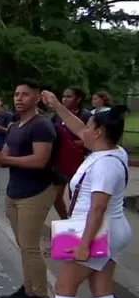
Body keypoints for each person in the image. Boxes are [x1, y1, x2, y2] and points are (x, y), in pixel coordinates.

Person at [13, 95, 132, 298]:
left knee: (67, 283)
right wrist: (56, 105)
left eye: (89, 126)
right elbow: (76, 126)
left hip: (96, 229)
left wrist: (84, 243)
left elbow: (98, 208)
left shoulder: (104, 165)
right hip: (111, 229)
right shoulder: (113, 152)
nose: (84, 129)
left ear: (99, 132)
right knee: (101, 284)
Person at [0, 79, 57, 298]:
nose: (19, 98)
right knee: (23, 245)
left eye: (25, 94)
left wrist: (4, 160)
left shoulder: (42, 126)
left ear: (36, 98)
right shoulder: (15, 126)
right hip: (15, 191)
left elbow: (40, 160)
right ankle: (28, 289)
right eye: (16, 94)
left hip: (35, 192)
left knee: (31, 247)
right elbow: (6, 155)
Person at [50, 87, 92, 219]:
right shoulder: (56, 115)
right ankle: (66, 220)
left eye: (69, 96)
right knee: (55, 198)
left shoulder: (87, 116)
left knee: (74, 197)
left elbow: (92, 140)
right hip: (60, 163)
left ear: (78, 99)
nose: (64, 99)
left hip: (79, 163)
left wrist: (76, 144)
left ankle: (77, 223)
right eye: (63, 96)